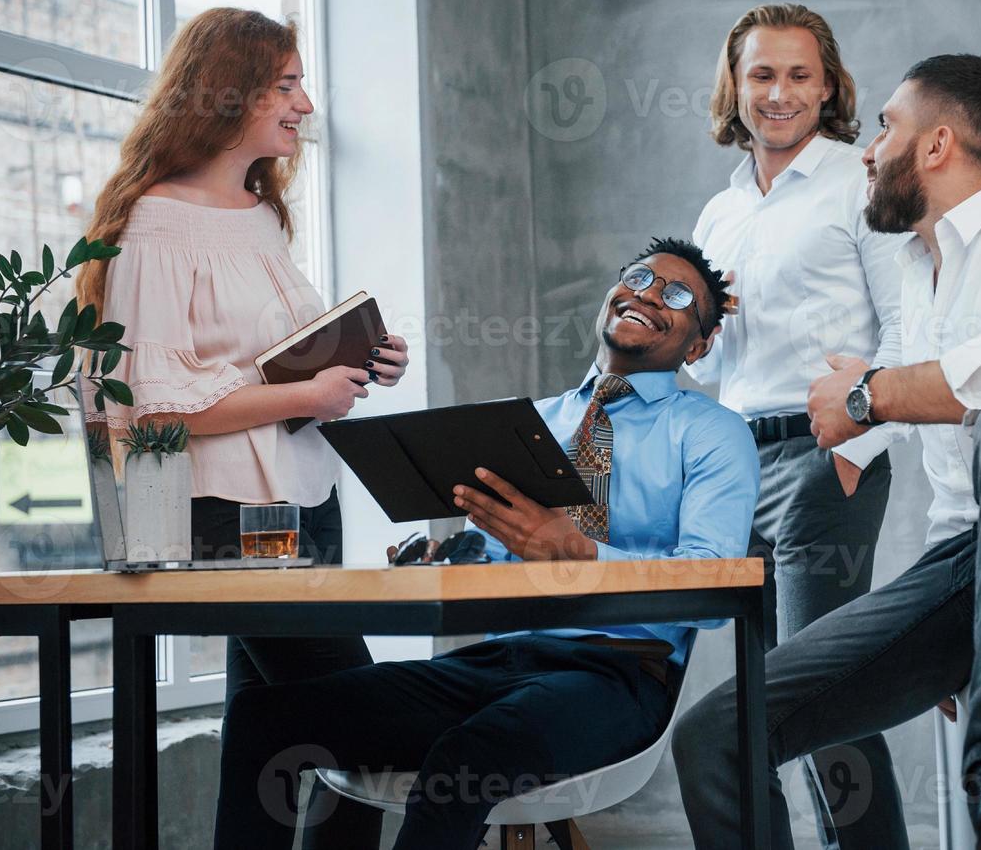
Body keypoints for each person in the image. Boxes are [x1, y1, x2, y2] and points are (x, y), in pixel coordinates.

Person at [673, 54, 981, 850]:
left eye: (885, 127)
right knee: (714, 736)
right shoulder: (920, 271)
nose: (868, 151)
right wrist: (964, 628)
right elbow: (953, 491)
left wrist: (873, 393)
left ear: (937, 144)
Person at [211, 238, 761, 850]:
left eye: (677, 296)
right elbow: (500, 553)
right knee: (264, 719)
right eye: (639, 278)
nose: (648, 294)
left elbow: (715, 587)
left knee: (466, 758)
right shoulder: (530, 420)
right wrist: (447, 558)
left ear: (700, 344)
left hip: (618, 674)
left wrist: (578, 553)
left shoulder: (714, 433)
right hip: (498, 661)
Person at [77, 7, 408, 847]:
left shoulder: (260, 215)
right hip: (228, 514)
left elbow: (267, 359)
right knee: (364, 726)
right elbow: (153, 408)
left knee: (269, 727)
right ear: (228, 95)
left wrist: (357, 360)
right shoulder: (155, 223)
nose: (304, 105)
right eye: (285, 85)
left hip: (304, 501)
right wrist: (306, 396)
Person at [688, 2, 910, 848]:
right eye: (760, 74)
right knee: (758, 696)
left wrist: (862, 447)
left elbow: (907, 328)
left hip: (827, 458)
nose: (778, 93)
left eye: (798, 75)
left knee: (826, 695)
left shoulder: (861, 182)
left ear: (827, 88)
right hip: (735, 466)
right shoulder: (719, 215)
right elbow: (711, 372)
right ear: (735, 87)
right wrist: (703, 331)